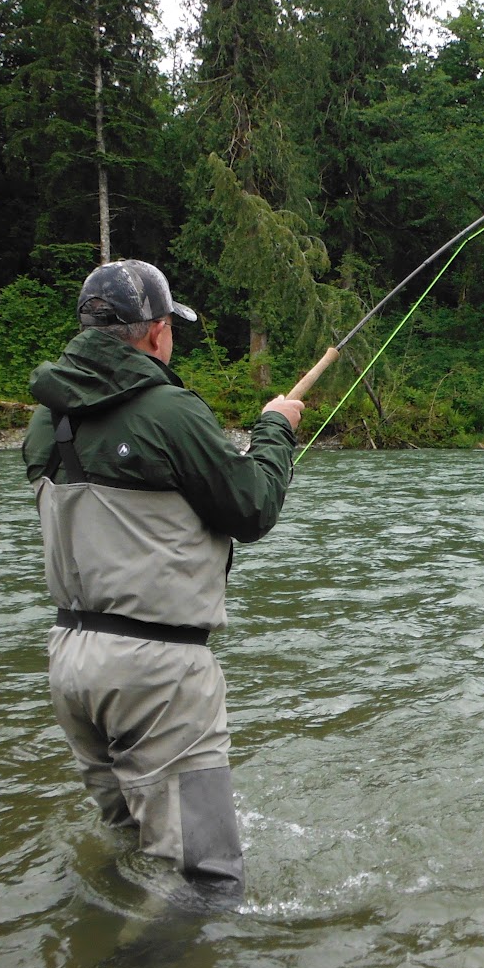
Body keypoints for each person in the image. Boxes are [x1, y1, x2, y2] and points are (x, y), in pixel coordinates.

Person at [21, 258, 304, 907]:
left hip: (71, 665)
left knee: (128, 847)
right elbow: (251, 507)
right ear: (154, 335)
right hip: (158, 675)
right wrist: (274, 431)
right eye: (171, 329)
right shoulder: (169, 412)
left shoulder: (46, 422)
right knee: (210, 873)